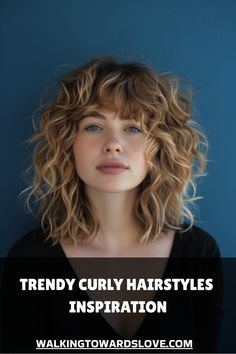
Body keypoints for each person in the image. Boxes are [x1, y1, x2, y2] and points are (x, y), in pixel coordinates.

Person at [1, 57, 223, 353]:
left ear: (158, 147)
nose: (113, 144)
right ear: (69, 142)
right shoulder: (29, 259)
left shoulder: (199, 254)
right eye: (93, 126)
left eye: (133, 128)